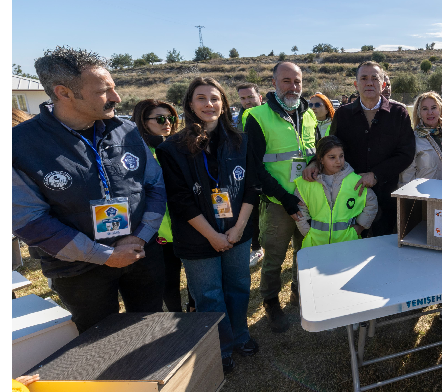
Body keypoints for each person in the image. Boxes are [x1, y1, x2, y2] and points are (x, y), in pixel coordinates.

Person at [12, 46, 166, 334]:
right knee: (98, 339)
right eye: (103, 91)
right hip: (78, 269)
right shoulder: (19, 145)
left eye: (114, 87)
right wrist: (104, 255)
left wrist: (139, 237)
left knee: (149, 327)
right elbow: (28, 220)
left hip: (139, 253)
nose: (116, 98)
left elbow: (154, 186)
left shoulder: (127, 130)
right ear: (64, 93)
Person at [156, 77, 259, 374]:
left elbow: (252, 186)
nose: (209, 104)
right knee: (209, 295)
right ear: (190, 104)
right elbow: (180, 200)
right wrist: (212, 236)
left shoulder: (241, 140)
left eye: (214, 98)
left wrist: (238, 229)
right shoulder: (172, 148)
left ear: (224, 103)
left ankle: (240, 336)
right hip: (197, 238)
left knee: (239, 287)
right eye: (201, 98)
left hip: (236, 232)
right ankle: (221, 346)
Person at [302, 61, 415, 238]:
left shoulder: (398, 113)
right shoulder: (343, 114)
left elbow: (406, 153)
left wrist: (376, 175)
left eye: (374, 78)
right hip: (348, 195)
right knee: (350, 245)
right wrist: (315, 162)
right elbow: (330, 146)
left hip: (386, 195)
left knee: (382, 247)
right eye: (364, 78)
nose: (369, 82)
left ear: (383, 84)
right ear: (356, 84)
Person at [246, 61, 317, 333]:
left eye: (297, 81)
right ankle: (271, 302)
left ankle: (300, 295)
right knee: (274, 257)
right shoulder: (258, 117)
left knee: (306, 253)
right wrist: (285, 199)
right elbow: (256, 168)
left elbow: (314, 155)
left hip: (309, 200)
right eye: (286, 81)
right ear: (274, 83)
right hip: (278, 203)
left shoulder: (309, 115)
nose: (293, 86)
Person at [132, 99, 185, 313]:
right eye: (160, 119)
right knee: (168, 283)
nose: (168, 123)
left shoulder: (175, 148)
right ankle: (176, 318)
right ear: (143, 121)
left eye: (171, 118)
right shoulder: (138, 154)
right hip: (157, 233)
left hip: (185, 226)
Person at [293, 136, 378, 247]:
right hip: (315, 244)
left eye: (341, 156)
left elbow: (371, 202)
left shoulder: (355, 181)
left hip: (348, 244)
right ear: (321, 159)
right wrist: (307, 231)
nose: (338, 161)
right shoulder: (306, 183)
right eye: (332, 157)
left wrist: (360, 226)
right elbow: (300, 208)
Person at [235, 83, 265, 267]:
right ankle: (256, 247)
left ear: (259, 97)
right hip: (248, 171)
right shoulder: (239, 118)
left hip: (269, 171)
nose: (247, 101)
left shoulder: (268, 116)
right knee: (252, 210)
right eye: (243, 98)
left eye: (250, 97)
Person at [398, 91, 442, 186]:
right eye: (425, 109)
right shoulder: (413, 139)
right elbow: (407, 175)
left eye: (434, 108)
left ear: (440, 109)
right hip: (425, 195)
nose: (430, 113)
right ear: (419, 113)